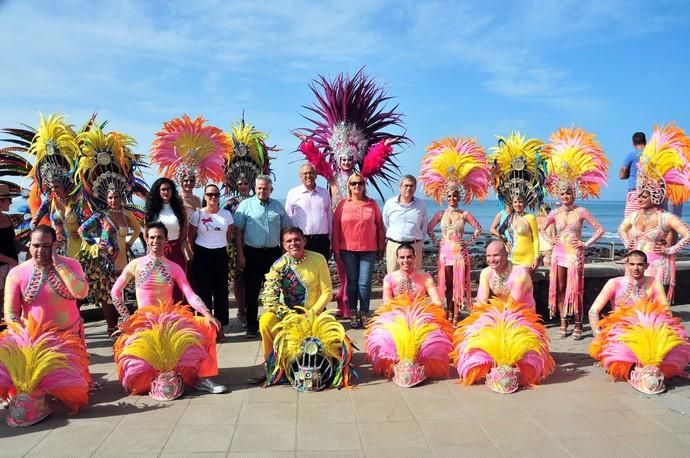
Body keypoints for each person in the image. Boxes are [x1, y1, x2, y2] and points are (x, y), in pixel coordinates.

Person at [295, 69, 409, 319]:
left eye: (350, 158)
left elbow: (373, 163)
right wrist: (307, 143)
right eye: (342, 158)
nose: (346, 161)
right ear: (337, 157)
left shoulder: (361, 177)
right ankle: (345, 306)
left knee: (354, 277)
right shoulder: (332, 176)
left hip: (359, 234)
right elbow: (316, 161)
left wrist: (383, 148)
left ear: (354, 158)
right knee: (344, 274)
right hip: (341, 232)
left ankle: (350, 309)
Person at [111, 222, 226, 394]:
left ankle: (202, 378)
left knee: (207, 326)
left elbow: (190, 294)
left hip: (170, 321)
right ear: (146, 239)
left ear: (166, 240)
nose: (155, 241)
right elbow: (115, 292)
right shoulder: (135, 264)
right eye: (152, 237)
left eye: (159, 237)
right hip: (145, 322)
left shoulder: (174, 267)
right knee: (138, 386)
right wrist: (128, 319)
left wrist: (208, 314)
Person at [541, 126, 608, 339]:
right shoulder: (555, 212)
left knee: (575, 289)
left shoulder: (581, 211)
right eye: (562, 193)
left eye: (569, 192)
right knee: (560, 287)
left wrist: (586, 244)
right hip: (559, 254)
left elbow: (600, 229)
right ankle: (563, 321)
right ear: (559, 194)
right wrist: (552, 240)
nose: (565, 196)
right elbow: (542, 229)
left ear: (574, 193)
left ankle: (578, 323)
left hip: (575, 255)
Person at [418, 136, 490, 321]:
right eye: (449, 195)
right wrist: (436, 241)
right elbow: (428, 228)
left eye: (455, 195)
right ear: (445, 196)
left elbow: (478, 229)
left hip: (459, 254)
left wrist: (468, 242)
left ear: (459, 196)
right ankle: (448, 312)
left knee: (458, 285)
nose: (452, 197)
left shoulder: (464, 214)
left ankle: (456, 314)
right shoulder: (440, 214)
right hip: (444, 252)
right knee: (447, 285)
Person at [618, 124, 690, 303]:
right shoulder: (635, 216)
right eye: (639, 194)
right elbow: (622, 229)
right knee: (635, 306)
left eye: (644, 195)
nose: (640, 198)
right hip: (637, 268)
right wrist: (629, 245)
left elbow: (687, 234)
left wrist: (669, 250)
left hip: (658, 267)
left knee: (656, 308)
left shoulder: (665, 217)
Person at [258, 227, 332, 365]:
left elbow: (327, 292)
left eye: (297, 239)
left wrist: (311, 313)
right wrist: (286, 315)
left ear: (304, 241)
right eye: (289, 241)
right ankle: (273, 364)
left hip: (312, 314)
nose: (293, 243)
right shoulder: (279, 265)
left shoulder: (318, 259)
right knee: (265, 321)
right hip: (286, 315)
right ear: (284, 245)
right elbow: (270, 296)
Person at [78, 189, 141, 337]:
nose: (114, 200)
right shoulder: (101, 215)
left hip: (123, 261)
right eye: (111, 197)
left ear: (121, 197)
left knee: (120, 292)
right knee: (108, 294)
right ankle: (111, 327)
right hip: (106, 260)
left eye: (116, 197)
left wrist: (130, 243)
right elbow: (82, 230)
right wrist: (94, 244)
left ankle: (122, 325)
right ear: (106, 199)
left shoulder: (126, 214)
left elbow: (137, 229)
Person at [233, 175, 291, 338]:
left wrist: (284, 254)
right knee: (252, 291)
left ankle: (277, 322)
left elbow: (284, 230)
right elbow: (238, 232)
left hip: (273, 253)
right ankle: (252, 325)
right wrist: (241, 255)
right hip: (252, 253)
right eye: (259, 188)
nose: (262, 191)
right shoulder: (245, 205)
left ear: (270, 190)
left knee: (277, 290)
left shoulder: (278, 206)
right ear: (255, 189)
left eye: (265, 188)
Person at [4, 225, 89, 335]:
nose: (40, 250)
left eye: (46, 246)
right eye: (36, 246)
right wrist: (21, 337)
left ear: (55, 245)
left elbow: (81, 293)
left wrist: (58, 264)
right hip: (35, 342)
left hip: (70, 338)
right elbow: (11, 313)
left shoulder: (72, 264)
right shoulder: (16, 273)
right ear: (29, 246)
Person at [332, 173, 385, 328]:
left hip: (369, 250)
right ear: (349, 186)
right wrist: (335, 250)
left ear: (364, 185)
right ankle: (353, 311)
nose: (357, 186)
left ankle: (364, 311)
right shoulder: (342, 205)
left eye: (360, 183)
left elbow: (380, 226)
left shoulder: (372, 204)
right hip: (347, 250)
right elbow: (335, 228)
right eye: (354, 183)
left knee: (365, 283)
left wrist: (381, 246)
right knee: (352, 283)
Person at [588, 250, 668, 336]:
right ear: (626, 265)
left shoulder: (654, 283)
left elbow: (665, 310)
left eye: (640, 264)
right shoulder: (614, 283)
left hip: (645, 333)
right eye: (632, 264)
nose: (635, 268)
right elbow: (593, 311)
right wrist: (597, 333)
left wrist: (664, 332)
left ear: (646, 266)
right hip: (618, 332)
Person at [188, 184, 234, 330]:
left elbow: (229, 235)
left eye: (215, 194)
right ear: (204, 196)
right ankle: (205, 323)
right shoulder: (198, 214)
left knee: (221, 290)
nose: (213, 197)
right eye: (209, 194)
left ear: (219, 196)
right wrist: (192, 255)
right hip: (202, 254)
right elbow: (190, 237)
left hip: (220, 253)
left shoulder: (226, 214)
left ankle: (221, 325)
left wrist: (219, 245)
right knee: (203, 291)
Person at [145, 178, 189, 297]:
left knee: (177, 284)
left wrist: (177, 244)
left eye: (168, 189)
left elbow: (184, 230)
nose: (166, 192)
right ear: (158, 191)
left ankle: (179, 314)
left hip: (175, 249)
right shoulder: (152, 210)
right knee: (159, 283)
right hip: (156, 250)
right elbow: (147, 231)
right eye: (163, 189)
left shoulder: (179, 208)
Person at [285, 163, 333, 261]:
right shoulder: (293, 193)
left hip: (322, 241)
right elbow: (288, 218)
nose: (308, 176)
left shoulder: (324, 193)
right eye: (305, 173)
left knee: (321, 271)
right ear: (300, 177)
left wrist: (331, 240)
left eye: (311, 173)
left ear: (316, 175)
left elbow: (329, 217)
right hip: (301, 240)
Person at [382, 175, 428, 274]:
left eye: (411, 186)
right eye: (406, 185)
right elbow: (385, 224)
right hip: (394, 246)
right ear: (400, 187)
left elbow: (424, 227)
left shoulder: (421, 205)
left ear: (415, 188)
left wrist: (418, 242)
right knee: (393, 278)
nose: (408, 188)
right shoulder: (390, 203)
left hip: (414, 246)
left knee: (415, 279)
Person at [223, 175, 251, 326]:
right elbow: (222, 220)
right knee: (238, 279)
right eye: (240, 183)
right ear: (236, 185)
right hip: (235, 245)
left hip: (252, 245)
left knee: (252, 280)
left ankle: (250, 310)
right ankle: (241, 311)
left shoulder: (255, 200)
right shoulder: (230, 203)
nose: (244, 185)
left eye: (246, 183)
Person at [476, 241, 535, 310]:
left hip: (522, 314)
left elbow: (513, 303)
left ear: (506, 255)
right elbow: (481, 301)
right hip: (499, 312)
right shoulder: (486, 272)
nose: (491, 260)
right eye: (488, 256)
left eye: (496, 255)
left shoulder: (519, 273)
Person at [0, 184, 20, 306]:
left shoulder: (8, 218)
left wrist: (29, 249)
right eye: (9, 200)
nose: (11, 203)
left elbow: (12, 241)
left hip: (11, 265)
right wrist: (10, 261)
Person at [507, 196, 540, 270]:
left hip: (527, 259)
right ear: (512, 204)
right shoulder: (510, 218)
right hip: (511, 258)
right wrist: (506, 244)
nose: (517, 204)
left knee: (526, 281)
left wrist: (536, 257)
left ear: (524, 203)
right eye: (515, 202)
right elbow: (501, 233)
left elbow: (536, 238)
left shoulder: (530, 217)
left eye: (520, 202)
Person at [620, 131, 646, 217]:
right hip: (649, 194)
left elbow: (622, 174)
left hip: (635, 192)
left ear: (632, 143)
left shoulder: (631, 155)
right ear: (645, 141)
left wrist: (627, 174)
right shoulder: (652, 155)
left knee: (629, 222)